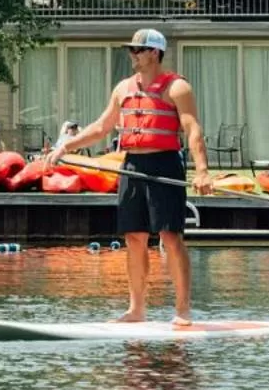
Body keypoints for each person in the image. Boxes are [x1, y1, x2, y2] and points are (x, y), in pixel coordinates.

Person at [53, 28, 211, 327]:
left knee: (170, 237)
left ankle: (183, 309)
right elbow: (102, 127)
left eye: (138, 50)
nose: (132, 55)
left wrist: (202, 171)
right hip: (132, 165)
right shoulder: (123, 88)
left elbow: (192, 130)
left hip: (165, 165)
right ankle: (136, 309)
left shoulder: (177, 88)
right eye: (132, 50)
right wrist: (65, 146)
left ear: (154, 53)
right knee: (134, 238)